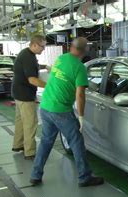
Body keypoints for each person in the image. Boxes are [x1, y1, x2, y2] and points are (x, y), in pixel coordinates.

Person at [30, 37, 104, 187]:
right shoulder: (79, 67)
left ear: (71, 47)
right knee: (76, 141)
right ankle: (85, 177)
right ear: (85, 51)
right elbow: (80, 94)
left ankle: (35, 175)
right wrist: (81, 117)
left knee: (46, 142)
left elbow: (62, 79)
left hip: (45, 106)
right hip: (61, 110)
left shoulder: (61, 58)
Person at [11, 35, 47, 160]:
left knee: (20, 121)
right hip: (25, 95)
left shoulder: (26, 54)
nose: (44, 49)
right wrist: (50, 86)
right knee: (30, 123)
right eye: (42, 46)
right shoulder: (28, 58)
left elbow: (32, 66)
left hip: (18, 93)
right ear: (34, 45)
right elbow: (32, 80)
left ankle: (18, 145)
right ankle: (30, 152)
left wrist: (45, 66)